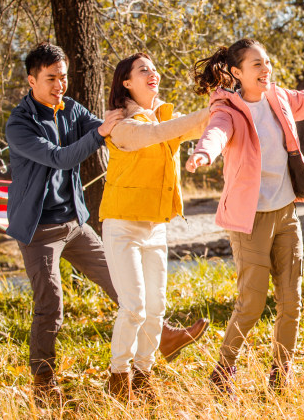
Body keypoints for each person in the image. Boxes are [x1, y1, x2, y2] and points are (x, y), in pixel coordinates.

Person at [5, 43, 208, 406]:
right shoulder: (19, 124)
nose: (59, 85)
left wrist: (116, 126)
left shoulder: (71, 109)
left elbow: (111, 128)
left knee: (124, 287)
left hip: (75, 222)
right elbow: (60, 158)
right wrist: (99, 134)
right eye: (51, 78)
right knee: (50, 302)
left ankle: (158, 342)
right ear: (32, 79)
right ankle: (43, 380)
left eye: (63, 77)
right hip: (38, 228)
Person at [185, 39, 304, 395]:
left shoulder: (282, 100)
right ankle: (223, 371)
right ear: (236, 72)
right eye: (256, 64)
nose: (265, 70)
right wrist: (204, 154)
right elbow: (216, 134)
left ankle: (280, 374)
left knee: (291, 301)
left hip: (286, 214)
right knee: (252, 302)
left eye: (267, 63)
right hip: (251, 220)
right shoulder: (227, 110)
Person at [98, 53, 211, 400]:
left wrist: (227, 103)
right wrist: (210, 110)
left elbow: (193, 127)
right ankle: (119, 378)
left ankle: (144, 376)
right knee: (133, 306)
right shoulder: (120, 125)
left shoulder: (165, 116)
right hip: (122, 226)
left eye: (154, 68)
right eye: (143, 69)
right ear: (126, 82)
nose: (153, 73)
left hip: (155, 228)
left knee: (156, 307)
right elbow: (159, 133)